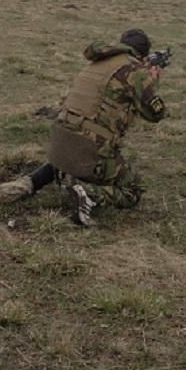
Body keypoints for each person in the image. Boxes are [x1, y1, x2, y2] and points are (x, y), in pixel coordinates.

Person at [41, 28, 167, 226]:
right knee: (134, 188)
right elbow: (155, 114)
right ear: (142, 54)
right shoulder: (136, 72)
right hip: (86, 150)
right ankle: (89, 195)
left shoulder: (98, 62)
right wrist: (152, 81)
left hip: (58, 147)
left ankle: (71, 176)